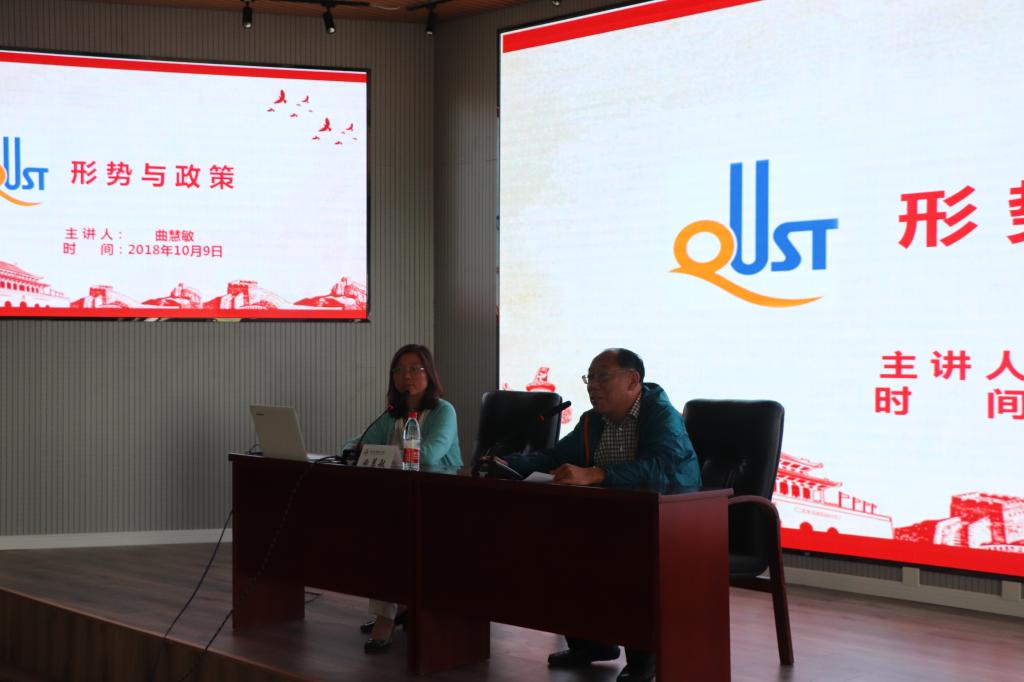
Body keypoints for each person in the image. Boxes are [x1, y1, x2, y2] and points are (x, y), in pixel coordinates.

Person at [502, 348, 700, 682]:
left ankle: (645, 658)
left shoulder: (661, 416)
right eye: (589, 378)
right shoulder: (593, 421)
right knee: (558, 546)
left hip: (671, 522)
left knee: (631, 558)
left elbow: (663, 469)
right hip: (616, 519)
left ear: (633, 380)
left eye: (602, 377)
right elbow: (555, 457)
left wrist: (597, 473)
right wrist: (507, 463)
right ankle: (592, 643)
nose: (592, 386)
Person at [342, 343, 461, 653]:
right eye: (399, 370)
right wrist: (358, 448)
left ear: (429, 373)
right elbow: (356, 443)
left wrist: (381, 452)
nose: (406, 376)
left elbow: (430, 455)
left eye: (414, 369)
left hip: (441, 500)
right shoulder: (393, 414)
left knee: (390, 534)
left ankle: (386, 616)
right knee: (380, 528)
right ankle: (397, 606)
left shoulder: (443, 411)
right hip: (401, 498)